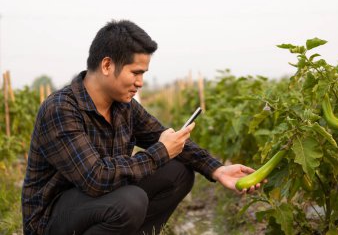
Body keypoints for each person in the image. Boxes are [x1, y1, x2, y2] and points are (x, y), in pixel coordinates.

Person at [22, 20, 260, 235]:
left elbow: (167, 138)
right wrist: (160, 152)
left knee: (178, 172)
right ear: (107, 65)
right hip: (51, 219)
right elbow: (95, 178)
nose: (140, 83)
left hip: (98, 201)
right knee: (130, 200)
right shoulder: (61, 108)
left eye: (143, 74)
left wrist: (217, 170)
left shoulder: (123, 107)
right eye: (135, 73)